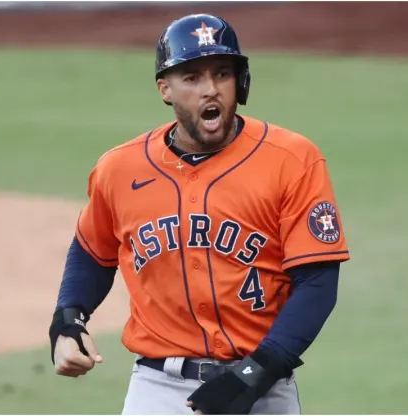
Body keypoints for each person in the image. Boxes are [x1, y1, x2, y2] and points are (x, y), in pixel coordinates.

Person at [48, 13, 350, 415]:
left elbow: (317, 280)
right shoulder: (119, 169)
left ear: (239, 83)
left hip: (263, 384)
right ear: (165, 89)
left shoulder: (292, 160)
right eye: (192, 77)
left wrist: (257, 372)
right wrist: (68, 321)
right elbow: (92, 251)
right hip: (157, 389)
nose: (210, 90)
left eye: (222, 74)